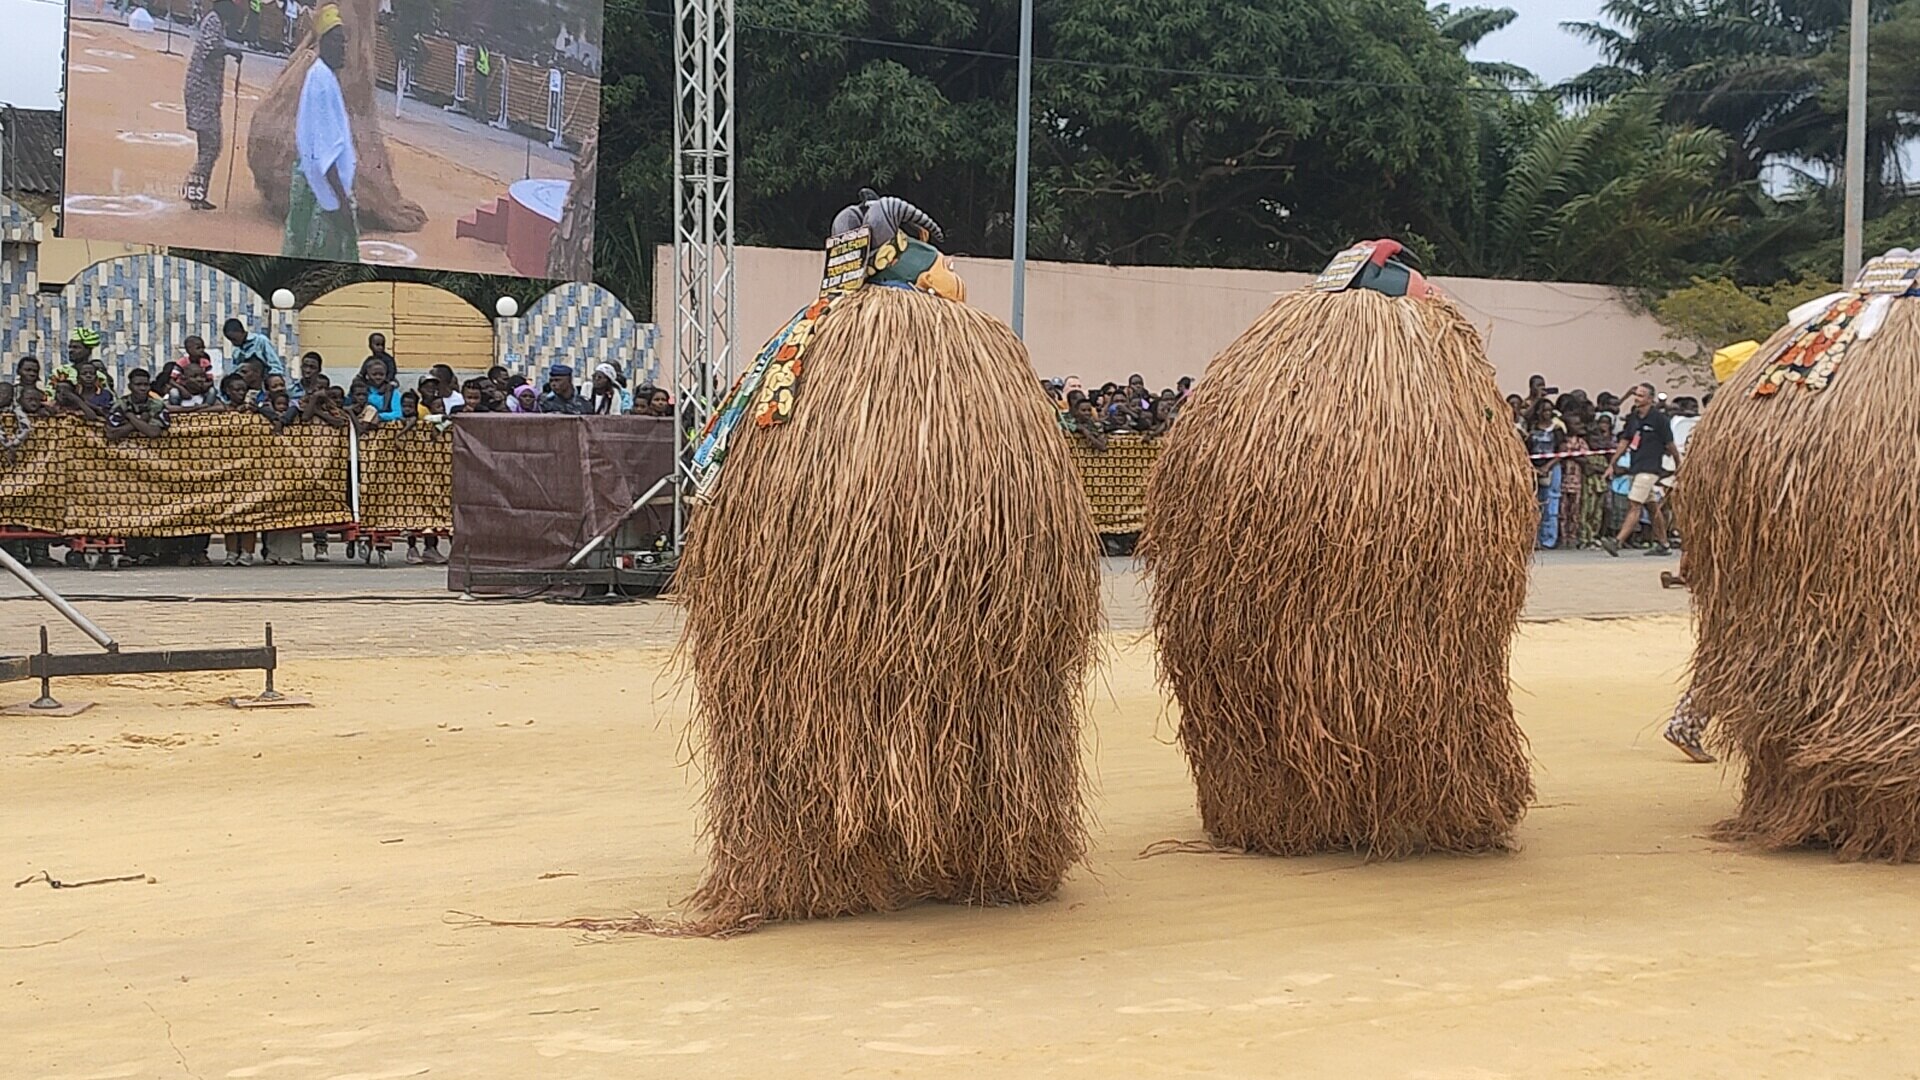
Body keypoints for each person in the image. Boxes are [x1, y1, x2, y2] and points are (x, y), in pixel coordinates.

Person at [283, 6, 359, 262]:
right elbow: (326, 159)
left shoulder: (323, 76)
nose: (343, 47)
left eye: (344, 41)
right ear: (323, 42)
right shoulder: (322, 83)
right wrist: (342, 207)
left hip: (321, 190)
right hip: (324, 195)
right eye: (337, 40)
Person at [1602, 382, 1679, 557]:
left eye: (1642, 395)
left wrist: (1678, 464)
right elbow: (1624, 442)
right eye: (1636, 394)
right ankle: (1663, 543)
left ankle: (1618, 541)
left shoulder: (1659, 420)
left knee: (1634, 504)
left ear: (1651, 399)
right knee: (1651, 506)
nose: (1637, 398)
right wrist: (1612, 463)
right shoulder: (1633, 418)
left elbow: (1670, 444)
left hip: (1650, 468)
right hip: (1636, 466)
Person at [1525, 399, 1565, 549]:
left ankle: (1549, 538)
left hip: (1552, 468)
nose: (1547, 414)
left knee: (1551, 503)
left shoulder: (1557, 429)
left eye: (1549, 410)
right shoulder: (1532, 429)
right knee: (1536, 503)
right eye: (1544, 410)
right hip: (1534, 468)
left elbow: (1562, 451)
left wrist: (1548, 466)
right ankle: (1536, 538)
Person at [106, 369, 170, 441]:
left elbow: (154, 432)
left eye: (146, 384)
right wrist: (142, 421)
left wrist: (131, 417)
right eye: (138, 384)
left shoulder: (157, 405)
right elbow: (111, 434)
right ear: (130, 386)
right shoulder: (120, 404)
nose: (143, 388)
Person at [0, 382, 31, 466]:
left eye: (3, 393)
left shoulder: (17, 409)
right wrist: (7, 443)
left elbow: (26, 426)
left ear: (10, 397)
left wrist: (15, 443)